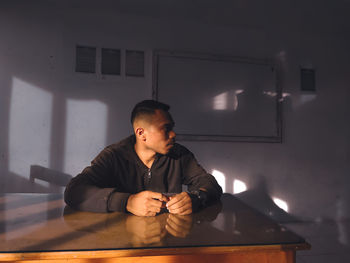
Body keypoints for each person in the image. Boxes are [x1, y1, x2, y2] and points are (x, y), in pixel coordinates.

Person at [64, 100, 222, 216]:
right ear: (141, 133)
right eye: (166, 129)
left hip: (169, 243)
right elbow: (74, 191)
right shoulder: (113, 156)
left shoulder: (179, 155)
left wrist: (197, 197)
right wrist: (126, 202)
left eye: (172, 128)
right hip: (120, 242)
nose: (173, 134)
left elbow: (209, 182)